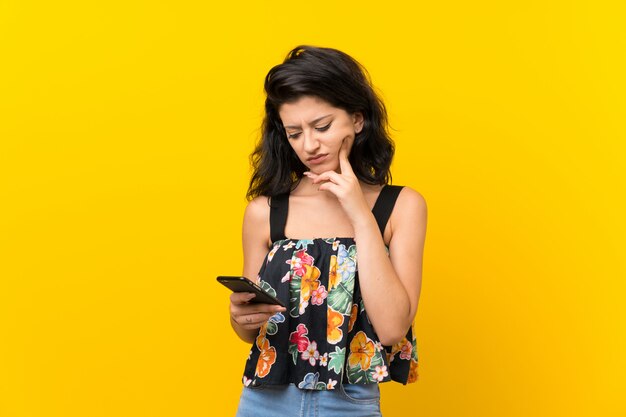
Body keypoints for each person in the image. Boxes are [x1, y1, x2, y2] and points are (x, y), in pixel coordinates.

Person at [228, 45, 427, 417]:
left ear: (357, 119)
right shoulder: (264, 213)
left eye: (322, 127)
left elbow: (390, 330)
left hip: (350, 402)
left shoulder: (401, 207)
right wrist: (240, 319)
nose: (310, 145)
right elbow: (252, 329)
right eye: (294, 133)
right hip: (263, 402)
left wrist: (359, 214)